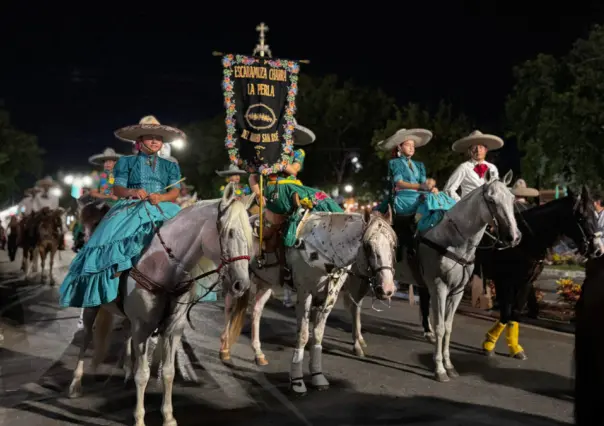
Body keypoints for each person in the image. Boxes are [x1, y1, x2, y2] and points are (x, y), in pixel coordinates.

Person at [59, 115, 184, 308]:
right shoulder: (126, 162)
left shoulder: (170, 165)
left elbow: (175, 191)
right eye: (149, 137)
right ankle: (114, 279)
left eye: (158, 138)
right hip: (131, 206)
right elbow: (117, 190)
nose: (154, 141)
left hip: (163, 206)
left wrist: (162, 197)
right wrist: (133, 192)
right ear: (139, 141)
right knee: (111, 236)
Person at [248, 121, 342, 306]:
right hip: (280, 191)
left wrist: (273, 160)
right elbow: (252, 176)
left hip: (292, 189)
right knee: (323, 198)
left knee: (310, 213)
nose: (287, 139)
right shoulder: (266, 151)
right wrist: (258, 194)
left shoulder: (297, 153)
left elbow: (293, 169)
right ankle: (342, 220)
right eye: (284, 135)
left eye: (290, 136)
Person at [443, 130, 503, 201]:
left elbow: (496, 188)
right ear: (469, 151)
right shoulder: (464, 167)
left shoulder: (492, 167)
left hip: (489, 208)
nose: (478, 150)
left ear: (486, 150)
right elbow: (448, 189)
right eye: (474, 147)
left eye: (481, 147)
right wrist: (461, 202)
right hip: (470, 208)